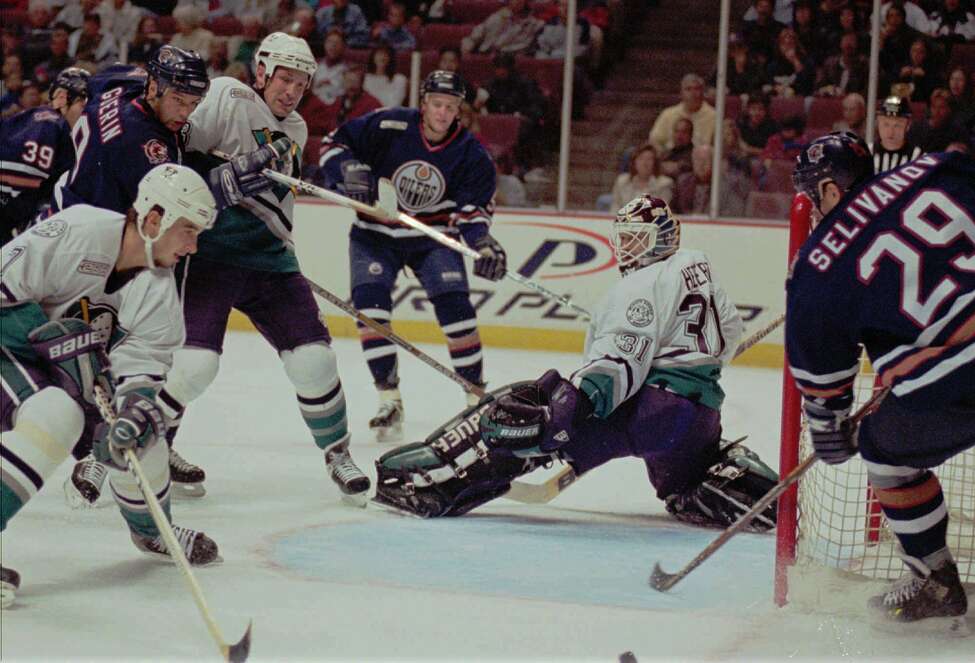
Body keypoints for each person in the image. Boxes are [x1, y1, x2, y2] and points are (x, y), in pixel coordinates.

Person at [373, 195, 780, 527]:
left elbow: (617, 369)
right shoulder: (697, 268)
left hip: (651, 415)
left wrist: (561, 414)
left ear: (663, 238)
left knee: (525, 407)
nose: (627, 248)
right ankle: (740, 486)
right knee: (682, 489)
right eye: (625, 238)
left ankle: (434, 478)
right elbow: (730, 331)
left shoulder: (641, 285)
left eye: (637, 239)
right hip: (700, 419)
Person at [55, 46, 289, 504]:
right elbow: (179, 197)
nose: (186, 112)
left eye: (193, 103)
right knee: (109, 357)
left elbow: (94, 82)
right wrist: (229, 180)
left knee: (152, 348)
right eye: (178, 101)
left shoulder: (121, 83)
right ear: (155, 88)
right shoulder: (142, 143)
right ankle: (99, 455)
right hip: (101, 252)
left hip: (112, 232)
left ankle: (155, 440)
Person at [152, 32, 371, 504]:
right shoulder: (227, 96)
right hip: (209, 254)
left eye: (301, 82)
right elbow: (175, 161)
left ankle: (337, 452)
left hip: (271, 259)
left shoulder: (296, 129)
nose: (291, 90)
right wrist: (221, 178)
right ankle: (154, 445)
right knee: (195, 365)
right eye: (284, 78)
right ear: (263, 72)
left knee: (315, 360)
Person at [0, 163, 221, 609]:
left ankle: (152, 533)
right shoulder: (77, 231)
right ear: (154, 219)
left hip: (67, 376)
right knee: (57, 415)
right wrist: (49, 338)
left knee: (141, 439)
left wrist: (136, 410)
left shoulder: (158, 292)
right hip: (8, 347)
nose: (194, 246)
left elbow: (142, 371)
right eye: (189, 230)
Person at [788, 131, 974, 631]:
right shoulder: (929, 169)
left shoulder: (819, 260)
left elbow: (823, 381)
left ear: (829, 190)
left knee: (885, 450)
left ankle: (935, 579)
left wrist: (830, 428)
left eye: (812, 193)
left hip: (962, 378)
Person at [317, 70, 506, 441]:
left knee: (456, 310)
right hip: (375, 233)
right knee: (371, 312)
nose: (442, 112)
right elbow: (333, 144)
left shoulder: (470, 153)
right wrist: (348, 169)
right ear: (423, 102)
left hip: (431, 238)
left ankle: (474, 395)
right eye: (437, 104)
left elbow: (473, 210)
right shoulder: (389, 123)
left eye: (451, 107)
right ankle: (389, 397)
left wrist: (481, 241)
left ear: (459, 111)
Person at [0, 67, 89, 244]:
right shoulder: (48, 124)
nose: (88, 111)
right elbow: (16, 182)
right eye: (84, 103)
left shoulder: (56, 126)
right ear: (63, 98)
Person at [647, 74, 716, 155]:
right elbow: (654, 140)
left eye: (697, 89)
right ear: (681, 93)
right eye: (688, 89)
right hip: (670, 158)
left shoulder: (715, 116)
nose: (693, 93)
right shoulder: (668, 114)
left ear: (703, 92)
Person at [610, 143, 673, 210]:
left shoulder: (664, 184)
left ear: (655, 163)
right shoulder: (622, 181)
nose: (644, 163)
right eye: (641, 158)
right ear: (634, 162)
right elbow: (615, 208)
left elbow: (662, 211)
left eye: (649, 159)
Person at [873, 95, 922, 173]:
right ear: (878, 123)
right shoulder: (865, 154)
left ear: (908, 125)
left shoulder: (919, 158)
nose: (891, 132)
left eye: (897, 125)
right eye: (886, 124)